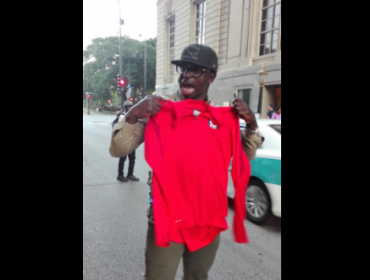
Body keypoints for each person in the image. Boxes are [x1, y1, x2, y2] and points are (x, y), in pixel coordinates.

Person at [109, 44, 264, 280]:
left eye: (195, 70)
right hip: (166, 216)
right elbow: (118, 149)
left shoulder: (221, 117)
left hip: (207, 218)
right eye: (183, 69)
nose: (186, 75)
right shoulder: (158, 109)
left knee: (197, 277)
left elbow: (247, 157)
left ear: (211, 76)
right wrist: (132, 114)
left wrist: (251, 124)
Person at [113, 100, 139, 182]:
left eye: (131, 106)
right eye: (128, 106)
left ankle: (130, 174)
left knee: (132, 158)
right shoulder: (122, 116)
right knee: (123, 158)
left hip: (131, 140)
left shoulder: (134, 116)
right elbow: (116, 127)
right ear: (125, 107)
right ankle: (120, 175)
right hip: (123, 140)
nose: (130, 108)